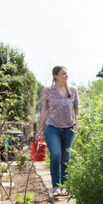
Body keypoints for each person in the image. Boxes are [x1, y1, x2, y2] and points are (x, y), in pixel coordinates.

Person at [37, 66, 80, 197]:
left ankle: (64, 186)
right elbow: (44, 109)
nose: (66, 76)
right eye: (63, 74)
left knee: (65, 158)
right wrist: (40, 128)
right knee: (56, 155)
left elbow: (76, 107)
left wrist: (78, 121)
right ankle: (56, 186)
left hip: (68, 128)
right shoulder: (48, 91)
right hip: (52, 127)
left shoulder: (73, 90)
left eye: (67, 73)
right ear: (55, 76)